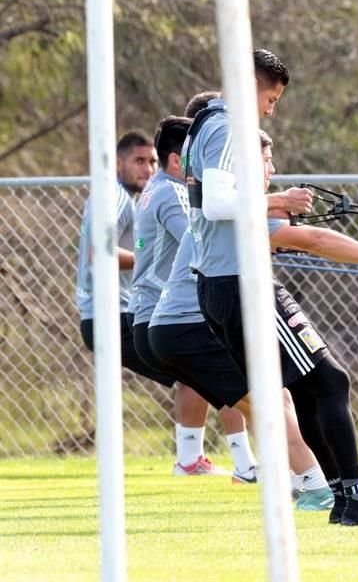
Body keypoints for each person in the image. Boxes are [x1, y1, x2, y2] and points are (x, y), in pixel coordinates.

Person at [188, 49, 358, 526]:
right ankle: (353, 499)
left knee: (310, 387)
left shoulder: (206, 123)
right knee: (329, 381)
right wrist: (278, 199)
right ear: (250, 84)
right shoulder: (230, 126)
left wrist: (268, 207)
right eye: (270, 97)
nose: (271, 109)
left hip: (220, 287)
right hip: (243, 286)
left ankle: (343, 497)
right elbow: (216, 205)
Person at [148, 124, 337, 510]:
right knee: (273, 399)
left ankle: (288, 480)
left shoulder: (227, 206)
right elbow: (315, 240)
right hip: (182, 326)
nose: (272, 169)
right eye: (266, 161)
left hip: (170, 327)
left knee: (265, 400)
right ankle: (316, 487)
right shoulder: (233, 208)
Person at [130, 115, 251, 478]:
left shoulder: (157, 189)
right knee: (235, 378)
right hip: (164, 313)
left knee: (207, 381)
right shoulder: (173, 193)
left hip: (150, 314)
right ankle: (248, 465)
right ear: (178, 159)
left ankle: (192, 460)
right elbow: (201, 239)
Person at [76, 130, 166, 431]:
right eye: (139, 160)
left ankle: (192, 458)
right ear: (118, 163)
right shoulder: (114, 196)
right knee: (193, 371)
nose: (148, 168)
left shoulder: (126, 199)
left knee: (192, 373)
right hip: (111, 315)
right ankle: (192, 459)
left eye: (152, 161)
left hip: (116, 313)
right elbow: (99, 253)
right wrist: (152, 262)